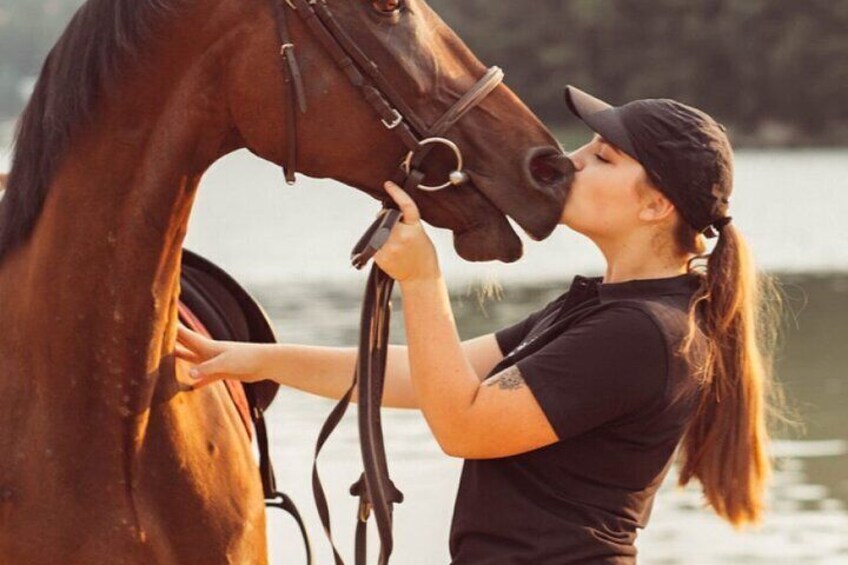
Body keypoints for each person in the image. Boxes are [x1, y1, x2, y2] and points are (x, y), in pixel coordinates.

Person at [175, 86, 779, 564]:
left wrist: (421, 280)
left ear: (656, 205)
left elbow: (465, 425)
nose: (569, 161)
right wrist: (250, 358)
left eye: (602, 158)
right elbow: (428, 377)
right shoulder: (606, 308)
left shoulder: (642, 333)